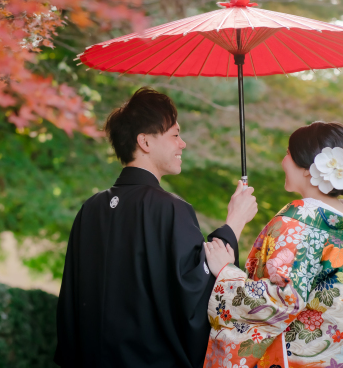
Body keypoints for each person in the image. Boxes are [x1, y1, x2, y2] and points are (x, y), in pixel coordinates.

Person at [54, 87, 258, 368]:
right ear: (145, 142)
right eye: (175, 135)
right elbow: (195, 292)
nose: (182, 144)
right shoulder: (169, 208)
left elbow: (70, 305)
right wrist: (235, 221)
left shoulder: (90, 209)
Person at [202, 121, 343, 368]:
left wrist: (227, 273)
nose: (282, 162)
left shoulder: (296, 222)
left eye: (287, 153)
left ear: (309, 169)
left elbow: (282, 299)